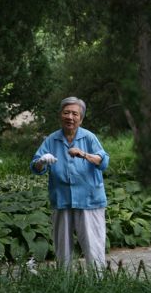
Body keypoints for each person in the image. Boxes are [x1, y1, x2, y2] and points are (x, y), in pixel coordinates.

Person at [30, 96, 109, 270]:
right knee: (62, 250)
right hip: (62, 200)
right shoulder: (52, 139)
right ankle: (64, 286)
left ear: (80, 118)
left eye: (75, 113)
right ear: (60, 115)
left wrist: (83, 154)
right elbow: (35, 167)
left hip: (89, 200)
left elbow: (103, 161)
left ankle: (98, 284)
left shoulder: (89, 137)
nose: (70, 117)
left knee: (93, 248)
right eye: (66, 113)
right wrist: (41, 161)